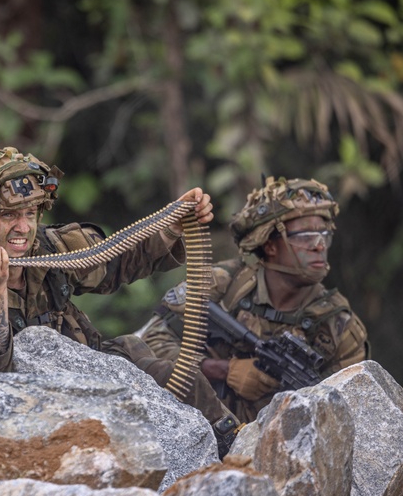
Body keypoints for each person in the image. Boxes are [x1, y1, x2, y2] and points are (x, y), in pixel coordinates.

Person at [0, 145, 242, 453]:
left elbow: (116, 259)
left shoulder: (51, 249)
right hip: (33, 414)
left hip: (97, 374)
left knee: (183, 378)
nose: (23, 227)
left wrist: (171, 228)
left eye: (30, 213)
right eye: (7, 215)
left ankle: (239, 446)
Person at [138, 176, 369, 423]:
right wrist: (223, 370)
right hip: (192, 428)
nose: (319, 246)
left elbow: (353, 416)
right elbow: (150, 343)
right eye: (305, 236)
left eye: (324, 235)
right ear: (269, 244)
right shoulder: (223, 284)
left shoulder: (340, 328)